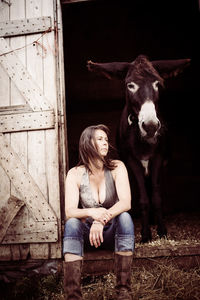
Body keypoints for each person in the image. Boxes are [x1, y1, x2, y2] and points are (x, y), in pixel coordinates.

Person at [63, 124, 134, 300]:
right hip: (88, 237)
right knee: (72, 223)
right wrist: (92, 213)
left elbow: (126, 202)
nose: (105, 144)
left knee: (125, 218)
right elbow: (69, 211)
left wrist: (101, 220)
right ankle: (73, 296)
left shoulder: (117, 167)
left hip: (111, 234)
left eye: (106, 140)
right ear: (87, 143)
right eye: (100, 139)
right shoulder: (75, 173)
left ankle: (123, 291)